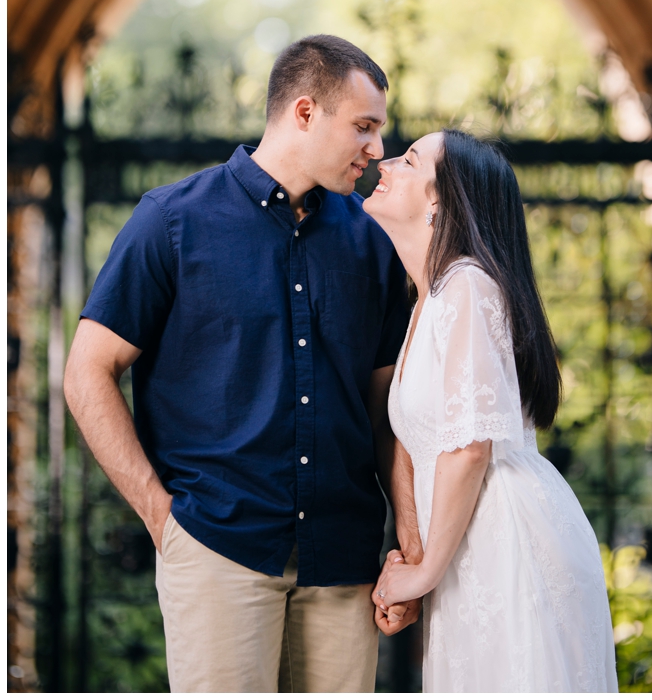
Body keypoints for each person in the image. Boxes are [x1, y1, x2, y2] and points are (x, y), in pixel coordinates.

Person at [64, 35, 423, 691]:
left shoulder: (374, 241)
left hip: (344, 561)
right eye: (364, 127)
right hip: (217, 548)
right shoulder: (172, 222)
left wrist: (409, 547)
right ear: (306, 112)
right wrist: (160, 517)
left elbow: (386, 416)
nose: (377, 149)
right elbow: (87, 371)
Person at [364, 129, 617, 692]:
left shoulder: (467, 286)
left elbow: (470, 445)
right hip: (467, 547)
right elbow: (417, 440)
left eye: (407, 160)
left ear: (439, 201)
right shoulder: (428, 299)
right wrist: (414, 563)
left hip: (506, 539)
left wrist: (424, 572)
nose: (383, 163)